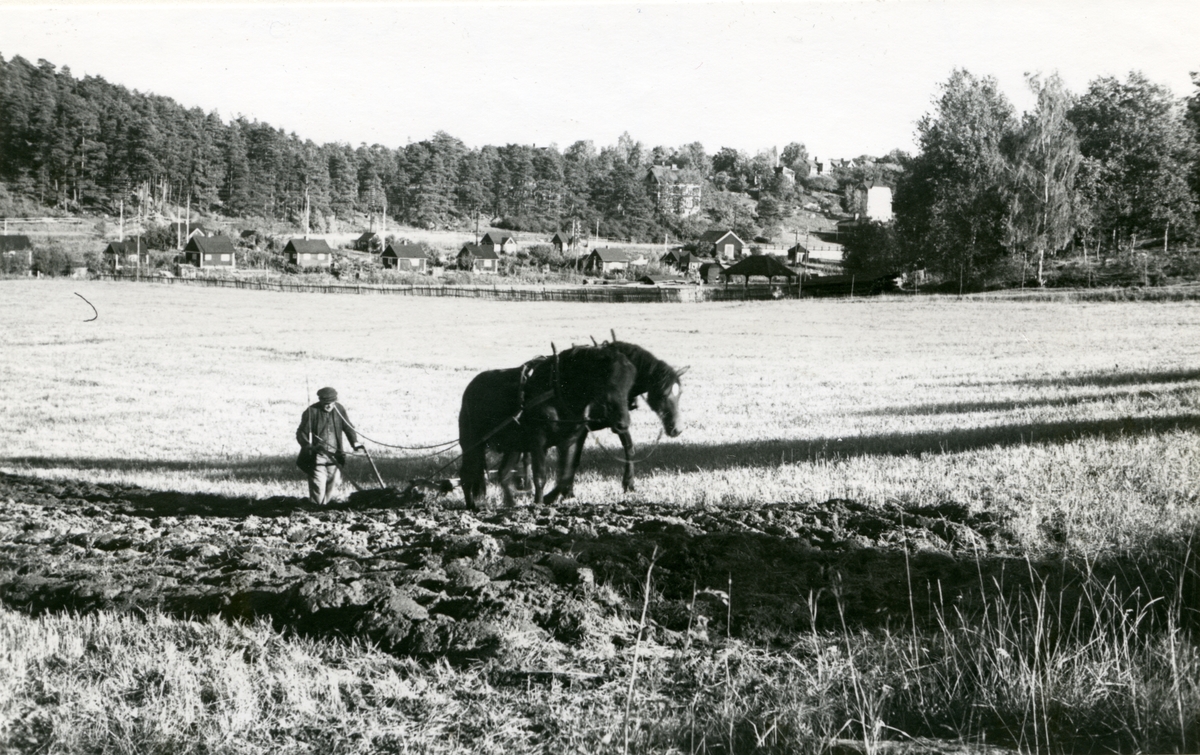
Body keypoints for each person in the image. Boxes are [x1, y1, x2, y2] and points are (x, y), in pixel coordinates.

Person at [296, 386, 364, 505]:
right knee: (318, 486)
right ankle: (316, 509)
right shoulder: (312, 411)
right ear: (320, 401)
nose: (328, 406)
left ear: (335, 401)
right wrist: (309, 446)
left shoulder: (339, 409)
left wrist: (356, 444)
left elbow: (348, 428)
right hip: (317, 457)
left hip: (335, 456)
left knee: (332, 484)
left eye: (331, 403)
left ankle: (324, 509)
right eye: (325, 403)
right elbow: (301, 433)